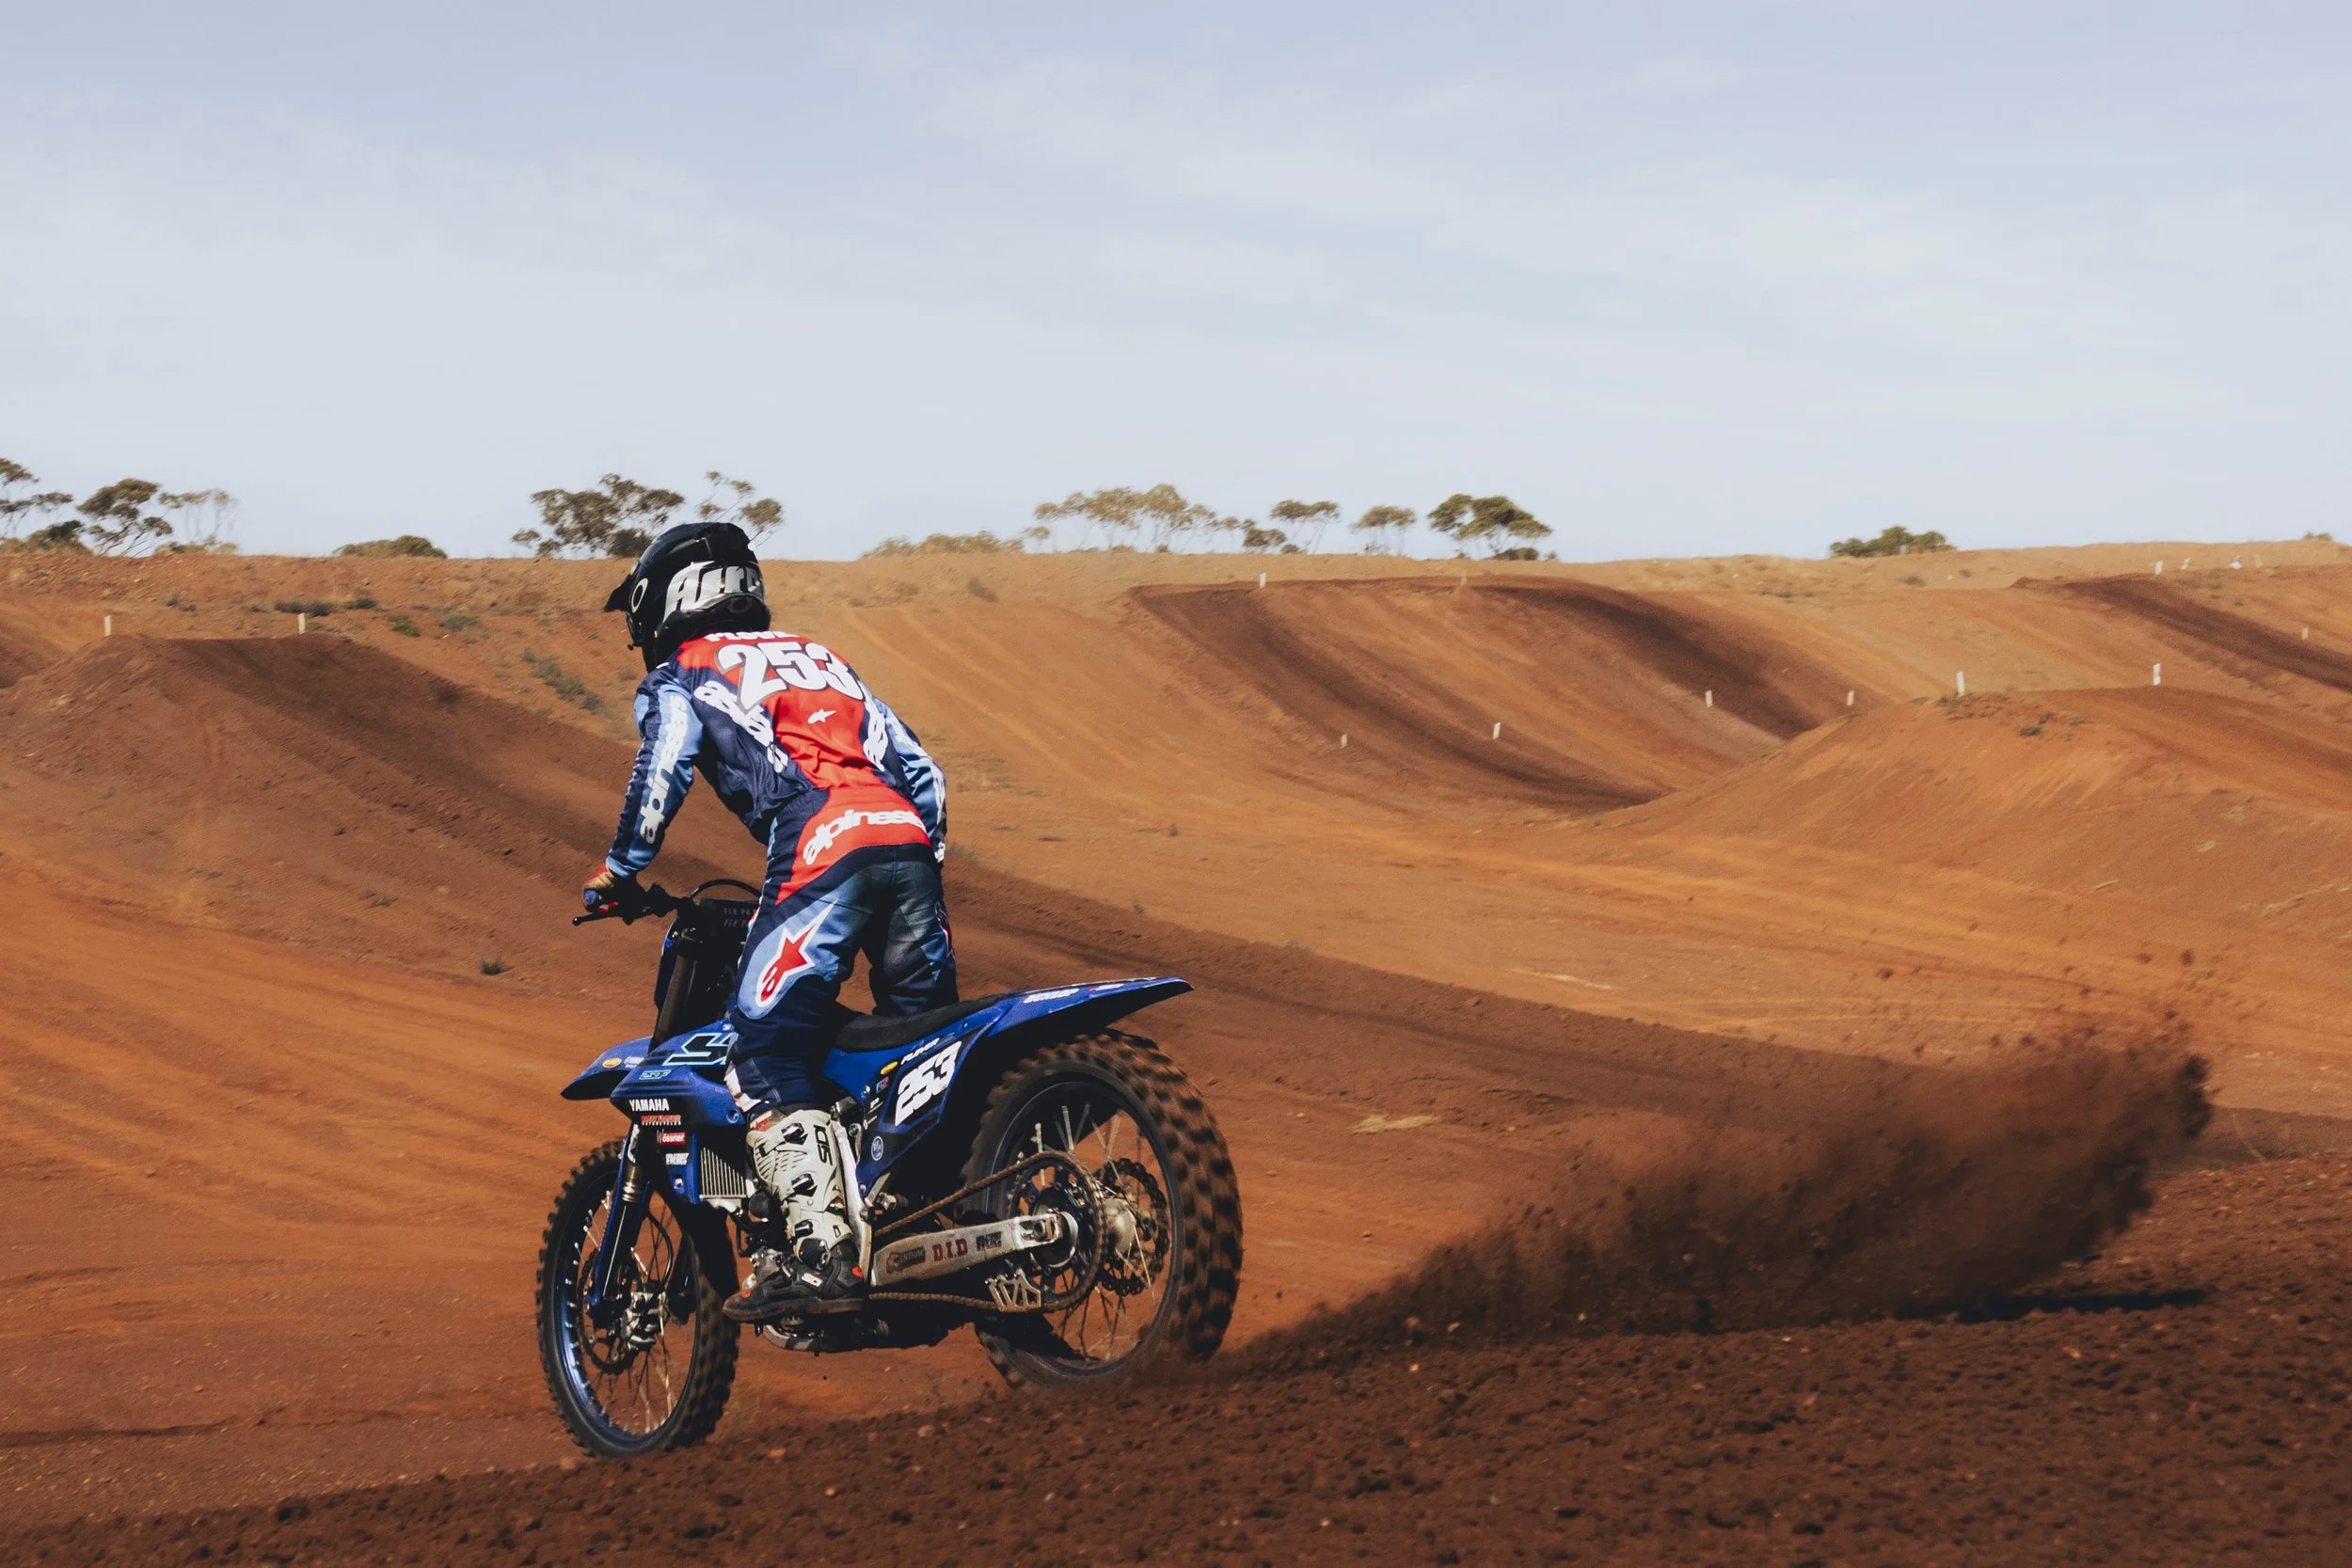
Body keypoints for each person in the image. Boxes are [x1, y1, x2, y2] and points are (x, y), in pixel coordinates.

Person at [581, 521, 953, 1322]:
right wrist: (917, 860)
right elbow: (923, 771)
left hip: (821, 844)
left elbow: (668, 760)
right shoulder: (824, 659)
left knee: (761, 1053)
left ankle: (821, 1257)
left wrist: (621, 869)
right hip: (909, 844)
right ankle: (928, 1216)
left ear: (669, 600)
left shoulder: (684, 670)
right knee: (917, 1048)